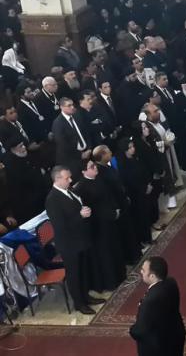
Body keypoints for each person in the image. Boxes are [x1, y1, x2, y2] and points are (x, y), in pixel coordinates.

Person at [45, 165, 105, 314]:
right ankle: (79, 303)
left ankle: (85, 296)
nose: (71, 180)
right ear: (57, 179)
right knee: (74, 274)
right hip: (69, 244)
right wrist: (80, 216)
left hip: (81, 239)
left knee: (83, 270)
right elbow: (60, 225)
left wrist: (84, 211)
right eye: (67, 178)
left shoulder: (68, 191)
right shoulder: (52, 199)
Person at [73, 158, 126, 292]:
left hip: (110, 221)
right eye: (91, 167)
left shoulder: (99, 179)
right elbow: (91, 209)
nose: (95, 168)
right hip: (99, 226)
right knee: (105, 254)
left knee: (115, 248)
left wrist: (115, 210)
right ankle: (110, 282)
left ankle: (120, 276)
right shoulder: (81, 188)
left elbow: (108, 197)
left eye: (95, 165)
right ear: (84, 171)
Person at [130, 256, 186, 356]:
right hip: (175, 335)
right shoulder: (171, 282)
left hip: (157, 347)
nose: (141, 272)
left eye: (143, 270)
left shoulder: (149, 301)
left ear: (152, 276)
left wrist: (132, 330)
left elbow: (141, 330)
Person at [52, 97, 92, 178]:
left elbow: (86, 132)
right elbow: (63, 144)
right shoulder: (58, 123)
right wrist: (80, 155)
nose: (72, 107)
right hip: (71, 160)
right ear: (62, 107)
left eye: (72, 105)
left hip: (86, 154)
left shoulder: (77, 116)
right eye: (69, 105)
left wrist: (89, 148)